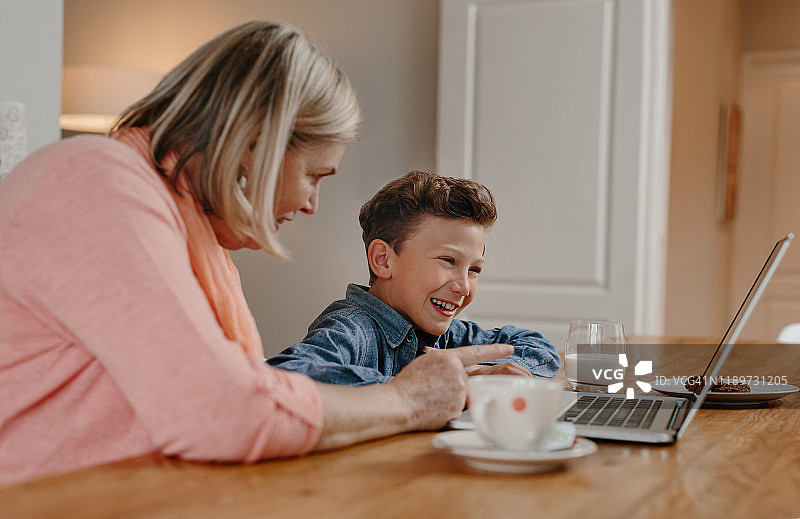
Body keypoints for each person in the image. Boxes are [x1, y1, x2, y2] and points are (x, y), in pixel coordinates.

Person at [0, 21, 513, 486]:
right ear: (257, 141)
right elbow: (222, 410)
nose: (311, 204)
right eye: (314, 174)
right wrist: (406, 399)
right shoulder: (98, 185)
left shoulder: (193, 232)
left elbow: (241, 392)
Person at [268, 171, 560, 385]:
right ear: (384, 260)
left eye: (474, 270)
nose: (463, 287)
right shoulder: (352, 329)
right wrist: (420, 383)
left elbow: (540, 350)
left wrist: (479, 374)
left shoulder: (445, 335)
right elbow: (284, 376)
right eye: (448, 261)